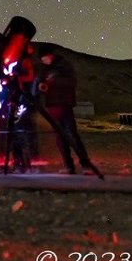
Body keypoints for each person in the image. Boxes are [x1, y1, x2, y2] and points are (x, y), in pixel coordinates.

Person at [35, 45, 94, 174]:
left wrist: (53, 82)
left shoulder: (63, 66)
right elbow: (39, 84)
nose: (43, 60)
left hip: (64, 104)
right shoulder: (44, 70)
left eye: (44, 58)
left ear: (50, 55)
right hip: (52, 106)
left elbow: (71, 82)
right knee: (60, 138)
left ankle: (86, 165)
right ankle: (68, 166)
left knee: (72, 135)